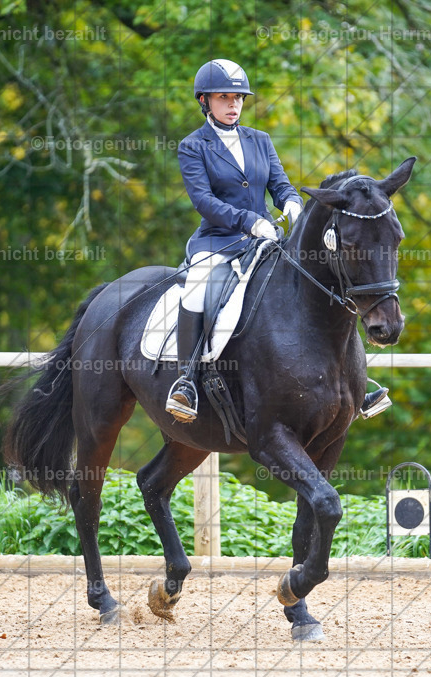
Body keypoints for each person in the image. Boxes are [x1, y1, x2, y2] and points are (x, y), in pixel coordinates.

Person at [166, 58, 391, 423]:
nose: (233, 104)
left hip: (267, 240)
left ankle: (356, 382)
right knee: (196, 286)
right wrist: (249, 221)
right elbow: (203, 201)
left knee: (325, 282)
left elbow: (280, 183)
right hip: (219, 242)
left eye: (238, 98)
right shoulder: (193, 146)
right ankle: (187, 381)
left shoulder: (260, 140)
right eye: (224, 97)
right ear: (204, 101)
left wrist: (290, 203)